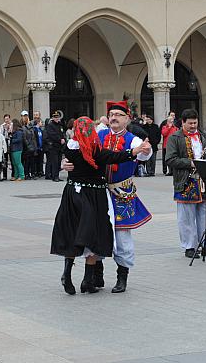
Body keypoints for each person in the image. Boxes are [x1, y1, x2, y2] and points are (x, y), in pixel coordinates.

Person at [51, 117, 150, 294]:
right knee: (93, 235)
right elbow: (116, 156)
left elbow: (64, 158)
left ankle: (68, 274)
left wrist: (64, 163)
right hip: (94, 196)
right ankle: (88, 280)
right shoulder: (96, 150)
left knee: (72, 233)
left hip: (71, 194)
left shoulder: (71, 146)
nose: (113, 118)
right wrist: (134, 151)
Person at [165, 109, 206, 259]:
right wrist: (190, 163)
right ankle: (189, 246)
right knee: (186, 216)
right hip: (186, 181)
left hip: (204, 180)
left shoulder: (203, 135)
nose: (193, 126)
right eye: (190, 123)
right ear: (182, 122)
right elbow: (170, 159)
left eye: (195, 123)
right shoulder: (174, 137)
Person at [44, 111, 65, 182]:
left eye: (58, 117)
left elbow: (62, 133)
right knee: (54, 162)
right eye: (55, 117)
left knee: (59, 162)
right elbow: (52, 135)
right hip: (53, 146)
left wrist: (63, 139)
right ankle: (54, 176)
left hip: (59, 146)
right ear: (53, 118)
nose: (57, 118)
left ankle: (57, 176)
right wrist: (60, 139)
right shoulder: (50, 125)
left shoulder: (60, 125)